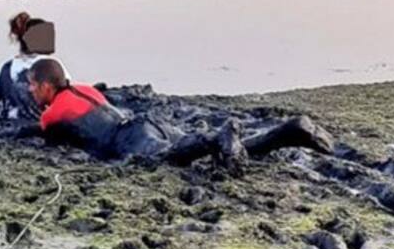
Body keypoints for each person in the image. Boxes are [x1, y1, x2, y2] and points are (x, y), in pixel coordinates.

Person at [26, 59, 334, 170]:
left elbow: (45, 133)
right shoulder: (84, 89)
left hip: (129, 141)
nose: (30, 92)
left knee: (172, 158)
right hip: (145, 125)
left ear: (45, 85)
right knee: (204, 152)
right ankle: (288, 132)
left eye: (32, 86)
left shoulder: (53, 114)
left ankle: (218, 136)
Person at [0, 12, 64, 121]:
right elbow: (66, 98)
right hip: (42, 125)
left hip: (10, 126)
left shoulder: (7, 67)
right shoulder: (52, 65)